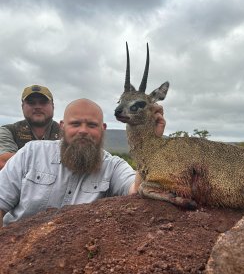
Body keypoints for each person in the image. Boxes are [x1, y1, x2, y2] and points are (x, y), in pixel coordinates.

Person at [0, 98, 165, 227]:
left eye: (92, 125)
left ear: (103, 129)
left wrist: (149, 141)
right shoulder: (31, 153)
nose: (83, 131)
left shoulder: (113, 166)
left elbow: (137, 190)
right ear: (62, 127)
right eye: (76, 124)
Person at [0, 85, 60, 170]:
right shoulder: (7, 131)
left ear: (53, 106)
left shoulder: (66, 132)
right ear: (22, 107)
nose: (37, 106)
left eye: (43, 102)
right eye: (31, 102)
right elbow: (4, 162)